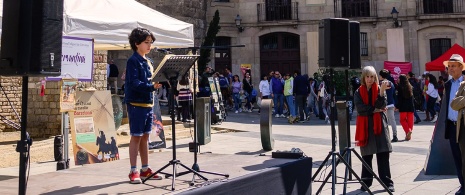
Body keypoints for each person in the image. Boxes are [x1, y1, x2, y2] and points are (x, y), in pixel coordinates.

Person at [124, 27, 162, 184]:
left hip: (148, 103)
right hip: (136, 104)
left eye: (151, 42)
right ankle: (133, 170)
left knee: (146, 137)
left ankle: (145, 169)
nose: (149, 45)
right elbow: (134, 83)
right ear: (136, 43)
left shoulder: (149, 61)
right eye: (146, 42)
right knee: (136, 136)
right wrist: (151, 86)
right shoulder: (133, 61)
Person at [354, 66, 394, 192]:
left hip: (380, 126)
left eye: (372, 76)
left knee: (383, 154)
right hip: (366, 126)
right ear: (363, 78)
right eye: (367, 76)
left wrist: (381, 92)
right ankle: (366, 182)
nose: (370, 79)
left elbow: (382, 105)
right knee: (367, 156)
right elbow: (361, 109)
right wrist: (375, 109)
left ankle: (387, 182)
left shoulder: (380, 89)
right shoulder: (358, 92)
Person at [446, 54, 465, 195]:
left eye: (453, 66)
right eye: (449, 66)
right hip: (451, 125)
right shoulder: (448, 84)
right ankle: (462, 185)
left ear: (461, 67)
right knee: (457, 158)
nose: (450, 69)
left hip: (463, 125)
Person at [379, 69, 398, 142]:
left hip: (384, 105)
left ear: (381, 76)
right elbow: (394, 94)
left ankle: (386, 136)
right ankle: (395, 135)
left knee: (384, 121)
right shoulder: (391, 83)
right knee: (392, 120)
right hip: (391, 104)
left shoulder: (381, 84)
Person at [395, 74, 415, 141]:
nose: (398, 79)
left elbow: (399, 98)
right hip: (410, 106)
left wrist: (397, 106)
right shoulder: (410, 87)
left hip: (403, 107)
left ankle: (408, 131)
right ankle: (408, 135)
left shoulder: (400, 87)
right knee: (410, 121)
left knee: (402, 120)